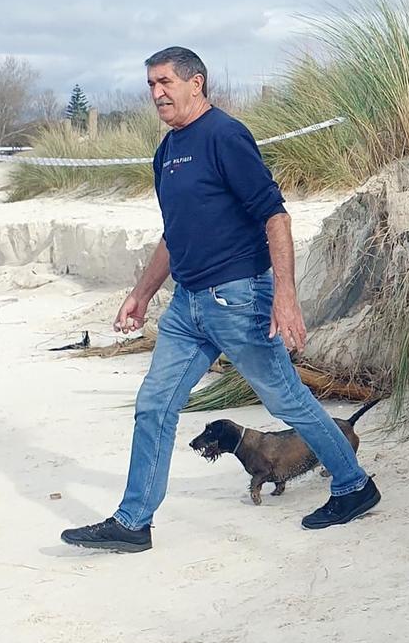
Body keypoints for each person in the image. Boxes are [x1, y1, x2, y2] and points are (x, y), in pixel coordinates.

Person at [61, 46, 380, 553]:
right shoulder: (166, 152)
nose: (157, 93)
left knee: (286, 399)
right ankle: (133, 522)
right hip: (187, 306)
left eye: (165, 82)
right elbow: (175, 232)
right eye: (151, 85)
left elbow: (274, 215)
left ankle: (353, 485)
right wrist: (142, 294)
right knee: (154, 405)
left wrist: (286, 297)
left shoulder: (225, 136)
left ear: (197, 82)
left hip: (238, 299)